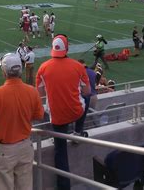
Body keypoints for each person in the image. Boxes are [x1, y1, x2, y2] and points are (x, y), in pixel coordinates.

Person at [36, 35, 91, 190]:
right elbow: (87, 91)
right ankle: (78, 131)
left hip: (57, 116)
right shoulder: (78, 66)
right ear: (67, 48)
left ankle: (64, 186)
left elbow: (39, 95)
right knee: (85, 100)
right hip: (76, 112)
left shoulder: (43, 68)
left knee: (61, 151)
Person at [0, 53, 44, 190]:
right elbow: (39, 115)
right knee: (25, 186)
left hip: (4, 149)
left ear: (4, 72)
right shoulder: (32, 91)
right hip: (25, 146)